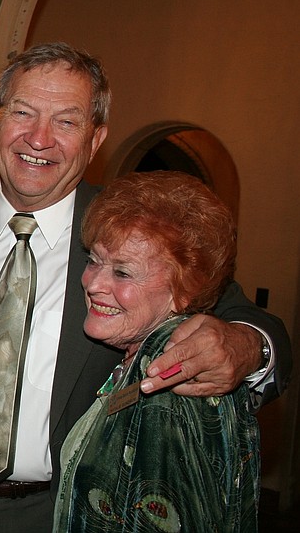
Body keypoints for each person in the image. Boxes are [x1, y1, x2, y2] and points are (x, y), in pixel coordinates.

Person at [0, 42, 291, 532]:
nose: (39, 139)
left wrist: (244, 346)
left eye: (66, 121)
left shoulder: (132, 229)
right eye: (23, 112)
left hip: (66, 513)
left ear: (96, 139)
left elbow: (256, 328)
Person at [54, 171, 259, 532]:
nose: (93, 283)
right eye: (94, 261)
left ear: (184, 291)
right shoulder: (139, 360)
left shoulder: (178, 384)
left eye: (122, 272)